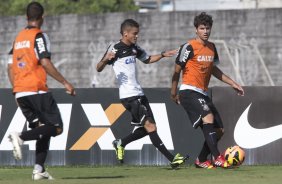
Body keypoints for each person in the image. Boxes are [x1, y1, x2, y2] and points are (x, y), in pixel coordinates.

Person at [96, 19, 188, 169]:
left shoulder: (134, 48)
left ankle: (121, 143)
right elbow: (98, 68)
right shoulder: (115, 48)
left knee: (149, 128)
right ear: (125, 33)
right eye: (134, 34)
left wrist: (164, 54)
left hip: (139, 93)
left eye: (137, 34)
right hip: (129, 95)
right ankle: (172, 159)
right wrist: (106, 59)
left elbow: (148, 59)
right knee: (150, 126)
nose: (137, 36)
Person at [7, 1, 75, 180]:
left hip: (21, 92)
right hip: (36, 90)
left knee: (43, 129)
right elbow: (45, 62)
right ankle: (20, 137)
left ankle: (39, 169)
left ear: (26, 17)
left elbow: (9, 67)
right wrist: (65, 82)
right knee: (57, 127)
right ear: (42, 18)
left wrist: (16, 91)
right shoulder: (38, 36)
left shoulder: (19, 38)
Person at [171, 12, 244, 169]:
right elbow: (176, 71)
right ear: (196, 29)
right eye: (202, 28)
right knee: (208, 117)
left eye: (208, 28)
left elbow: (214, 70)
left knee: (219, 130)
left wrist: (233, 83)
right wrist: (173, 92)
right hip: (188, 91)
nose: (205, 31)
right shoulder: (188, 47)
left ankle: (202, 159)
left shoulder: (212, 48)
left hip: (202, 93)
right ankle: (217, 157)